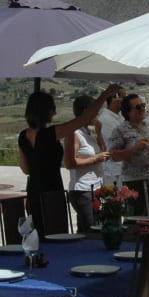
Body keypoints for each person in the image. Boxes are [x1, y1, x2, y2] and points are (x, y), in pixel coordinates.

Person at [18, 84, 123, 236]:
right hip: (52, 191)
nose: (55, 112)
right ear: (45, 111)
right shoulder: (51, 133)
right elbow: (83, 118)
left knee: (37, 235)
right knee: (56, 235)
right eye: (53, 108)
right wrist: (104, 95)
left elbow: (25, 168)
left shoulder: (23, 136)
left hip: (33, 192)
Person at [108, 93, 149, 214]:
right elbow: (113, 156)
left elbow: (148, 148)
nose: (142, 109)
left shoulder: (146, 127)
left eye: (143, 106)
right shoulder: (120, 130)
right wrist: (134, 149)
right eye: (138, 107)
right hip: (134, 182)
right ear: (128, 112)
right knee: (138, 219)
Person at [63, 95, 112, 233]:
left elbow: (103, 152)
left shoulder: (88, 132)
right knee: (91, 229)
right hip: (82, 189)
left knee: (91, 228)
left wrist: (99, 132)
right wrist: (95, 159)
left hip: (95, 187)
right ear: (86, 111)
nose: (97, 114)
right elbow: (69, 163)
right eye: (95, 110)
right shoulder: (74, 133)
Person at [97, 90, 125, 187]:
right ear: (114, 98)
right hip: (113, 171)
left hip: (122, 168)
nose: (125, 101)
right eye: (123, 97)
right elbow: (120, 142)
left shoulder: (120, 117)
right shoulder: (105, 119)